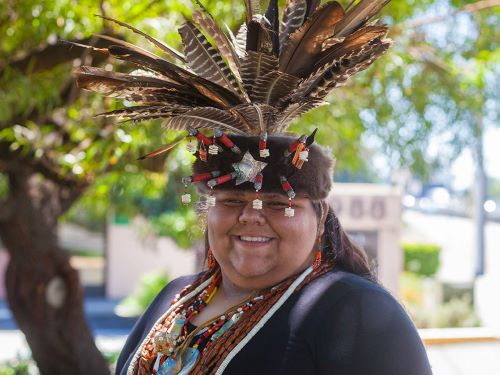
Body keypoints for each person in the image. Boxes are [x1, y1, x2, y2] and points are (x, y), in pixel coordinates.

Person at [75, 0, 433, 374]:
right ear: (207, 211)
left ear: (320, 214)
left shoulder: (354, 310)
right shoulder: (173, 298)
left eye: (278, 203)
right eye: (231, 200)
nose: (251, 216)